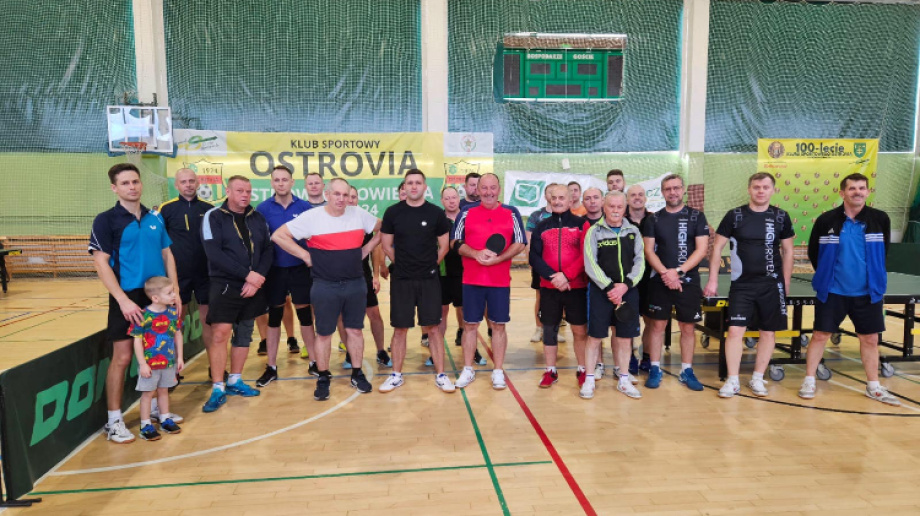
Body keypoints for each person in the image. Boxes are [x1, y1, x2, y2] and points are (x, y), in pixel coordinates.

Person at [90, 163, 179, 443]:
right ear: (114, 188)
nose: (132, 187)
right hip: (126, 296)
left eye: (135, 181)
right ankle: (114, 420)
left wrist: (175, 291)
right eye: (125, 183)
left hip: (157, 296)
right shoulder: (105, 220)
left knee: (158, 353)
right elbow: (100, 263)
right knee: (123, 357)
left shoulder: (155, 218)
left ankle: (154, 409)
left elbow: (167, 254)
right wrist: (122, 300)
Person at [272, 178, 380, 401]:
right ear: (327, 195)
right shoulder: (312, 217)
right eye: (336, 194)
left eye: (345, 194)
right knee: (324, 334)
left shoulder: (358, 214)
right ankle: (323, 377)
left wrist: (367, 248)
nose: (341, 199)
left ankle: (357, 373)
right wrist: (305, 255)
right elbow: (278, 236)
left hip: (355, 283)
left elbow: (384, 228)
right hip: (324, 285)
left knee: (355, 331)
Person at [800, 173, 899, 405]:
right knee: (820, 335)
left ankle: (873, 386)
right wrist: (827, 276)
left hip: (868, 292)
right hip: (832, 291)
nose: (858, 192)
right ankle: (809, 380)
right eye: (852, 188)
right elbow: (814, 253)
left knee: (870, 339)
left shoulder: (880, 219)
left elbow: (883, 252)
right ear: (842, 193)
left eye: (862, 188)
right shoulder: (826, 220)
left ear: (868, 192)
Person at [704, 172, 795, 399]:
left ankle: (757, 377)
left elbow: (788, 251)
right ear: (749, 189)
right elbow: (717, 248)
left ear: (773, 190)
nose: (761, 191)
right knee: (735, 331)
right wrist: (713, 279)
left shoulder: (781, 217)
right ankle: (733, 380)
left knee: (768, 332)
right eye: (756, 187)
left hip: (771, 285)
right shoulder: (735, 216)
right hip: (742, 285)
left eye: (765, 187)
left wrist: (785, 282)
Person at [200, 176, 273, 412]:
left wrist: (257, 278)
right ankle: (218, 387)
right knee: (220, 334)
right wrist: (247, 275)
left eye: (248, 191)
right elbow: (213, 253)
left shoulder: (257, 217)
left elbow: (268, 250)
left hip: (253, 286)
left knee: (244, 334)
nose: (245, 195)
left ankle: (235, 380)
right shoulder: (214, 216)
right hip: (225, 285)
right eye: (240, 190)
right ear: (228, 191)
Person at [378, 170, 455, 393]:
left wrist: (429, 265)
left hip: (429, 280)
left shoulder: (436, 213)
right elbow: (386, 245)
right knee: (400, 328)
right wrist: (402, 264)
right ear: (404, 187)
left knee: (433, 328)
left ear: (424, 187)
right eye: (409, 183)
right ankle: (396, 375)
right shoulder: (393, 212)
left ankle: (441, 375)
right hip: (402, 279)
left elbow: (444, 246)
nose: (413, 186)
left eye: (418, 182)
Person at [451, 173, 527, 389]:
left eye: (492, 187)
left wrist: (498, 259)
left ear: (499, 189)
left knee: (498, 325)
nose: (488, 192)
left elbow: (520, 242)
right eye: (484, 188)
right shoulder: (466, 212)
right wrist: (475, 254)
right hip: (471, 280)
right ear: (478, 190)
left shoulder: (511, 212)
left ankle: (498, 371)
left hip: (499, 282)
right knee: (470, 325)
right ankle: (468, 369)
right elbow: (455, 241)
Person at [157, 167, 216, 423]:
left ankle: (215, 368)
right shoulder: (166, 209)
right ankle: (172, 373)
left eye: (192, 181)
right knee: (174, 323)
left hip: (205, 274)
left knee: (209, 322)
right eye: (183, 181)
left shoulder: (209, 209)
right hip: (177, 277)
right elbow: (161, 244)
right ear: (177, 184)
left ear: (198, 182)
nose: (188, 185)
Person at [641, 174, 709, 391]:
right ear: (662, 192)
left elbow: (701, 250)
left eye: (676, 188)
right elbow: (649, 251)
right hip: (659, 281)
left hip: (688, 282)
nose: (673, 192)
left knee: (687, 327)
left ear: (683, 189)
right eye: (668, 189)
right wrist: (665, 274)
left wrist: (678, 272)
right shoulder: (653, 219)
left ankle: (686, 370)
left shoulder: (697, 217)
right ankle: (654, 368)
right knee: (657, 326)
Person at [254, 165, 318, 387]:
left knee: (306, 317)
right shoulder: (262, 209)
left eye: (285, 179)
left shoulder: (305, 207)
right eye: (277, 180)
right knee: (274, 318)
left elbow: (313, 238)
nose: (281, 183)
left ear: (292, 182)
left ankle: (314, 362)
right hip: (274, 271)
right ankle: (271, 367)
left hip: (300, 269)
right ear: (272, 183)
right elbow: (260, 242)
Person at [582, 191, 645, 400]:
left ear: (625, 208)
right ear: (604, 207)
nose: (615, 210)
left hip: (627, 292)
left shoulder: (634, 231)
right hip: (601, 293)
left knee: (625, 338)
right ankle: (589, 379)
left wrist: (626, 285)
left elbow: (640, 262)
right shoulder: (594, 232)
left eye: (619, 207)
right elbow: (590, 263)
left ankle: (624, 379)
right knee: (595, 337)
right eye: (611, 206)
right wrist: (610, 287)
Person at [529, 184, 589, 390]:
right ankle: (550, 371)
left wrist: (567, 276)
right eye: (554, 198)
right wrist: (552, 277)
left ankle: (582, 369)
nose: (557, 201)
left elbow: (586, 254)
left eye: (561, 198)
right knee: (549, 330)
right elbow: (534, 256)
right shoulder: (541, 226)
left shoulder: (582, 224)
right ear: (549, 200)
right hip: (549, 287)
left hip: (576, 286)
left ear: (570, 200)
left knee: (579, 330)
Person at [336, 185, 390, 368]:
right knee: (342, 317)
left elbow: (377, 244)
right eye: (347, 196)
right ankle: (350, 354)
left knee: (374, 314)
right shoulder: (333, 220)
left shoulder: (364, 219)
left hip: (362, 276)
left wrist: (375, 275)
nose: (350, 200)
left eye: (354, 197)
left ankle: (381, 351)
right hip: (339, 278)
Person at [128, 276, 184, 441]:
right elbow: (137, 341)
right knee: (147, 394)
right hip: (150, 365)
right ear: (155, 298)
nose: (174, 295)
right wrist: (142, 364)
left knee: (164, 391)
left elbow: (178, 335)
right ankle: (145, 425)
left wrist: (180, 357)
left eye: (173, 291)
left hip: (168, 362)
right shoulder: (143, 316)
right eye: (169, 293)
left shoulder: (173, 313)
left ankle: (165, 419)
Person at [439, 187, 488, 365]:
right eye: (447, 198)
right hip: (443, 273)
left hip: (466, 272)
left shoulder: (468, 217)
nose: (451, 201)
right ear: (442, 201)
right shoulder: (438, 220)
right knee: (442, 312)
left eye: (454, 197)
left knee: (467, 313)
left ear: (458, 199)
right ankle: (437, 353)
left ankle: (473, 350)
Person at [525, 186, 563, 344]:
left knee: (559, 298)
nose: (553, 196)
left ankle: (554, 329)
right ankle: (539, 328)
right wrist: (531, 261)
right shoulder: (536, 216)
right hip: (540, 265)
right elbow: (528, 240)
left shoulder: (564, 215)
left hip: (559, 266)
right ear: (546, 195)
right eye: (550, 192)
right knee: (540, 296)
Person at [625, 184, 653, 376]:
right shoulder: (620, 220)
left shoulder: (655, 219)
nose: (637, 197)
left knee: (651, 321)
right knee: (628, 321)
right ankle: (630, 357)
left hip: (650, 279)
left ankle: (648, 356)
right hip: (628, 280)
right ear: (627, 199)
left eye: (640, 194)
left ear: (645, 198)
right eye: (633, 195)